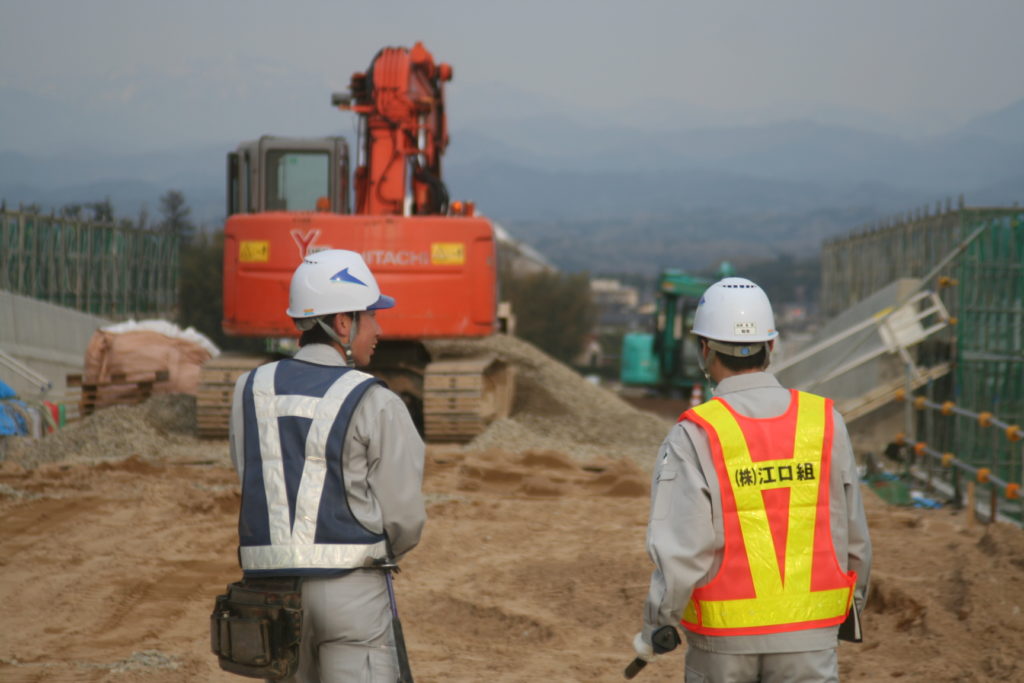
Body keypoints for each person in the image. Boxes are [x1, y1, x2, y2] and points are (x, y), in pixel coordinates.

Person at [632, 277, 871, 682]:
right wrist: (851, 610)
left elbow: (681, 551)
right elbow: (854, 538)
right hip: (810, 637)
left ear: (705, 349)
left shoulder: (696, 433)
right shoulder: (825, 422)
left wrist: (658, 626)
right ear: (771, 346)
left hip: (723, 643)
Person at [229, 249, 426, 682]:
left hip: (269, 595)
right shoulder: (376, 400)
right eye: (371, 315)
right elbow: (404, 517)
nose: (378, 329)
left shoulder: (250, 390)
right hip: (351, 593)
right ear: (342, 323)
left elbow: (252, 478)